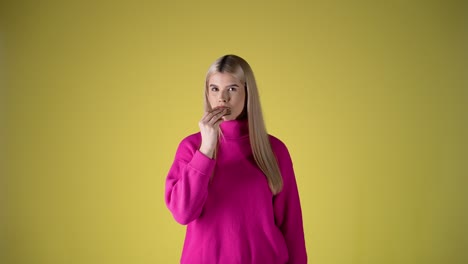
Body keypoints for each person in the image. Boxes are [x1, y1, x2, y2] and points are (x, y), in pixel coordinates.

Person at [165, 54, 307, 264]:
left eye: (232, 88)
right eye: (214, 89)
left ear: (247, 92)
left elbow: (291, 226)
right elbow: (183, 213)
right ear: (207, 93)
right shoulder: (191, 148)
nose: (222, 98)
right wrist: (206, 150)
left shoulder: (274, 150)